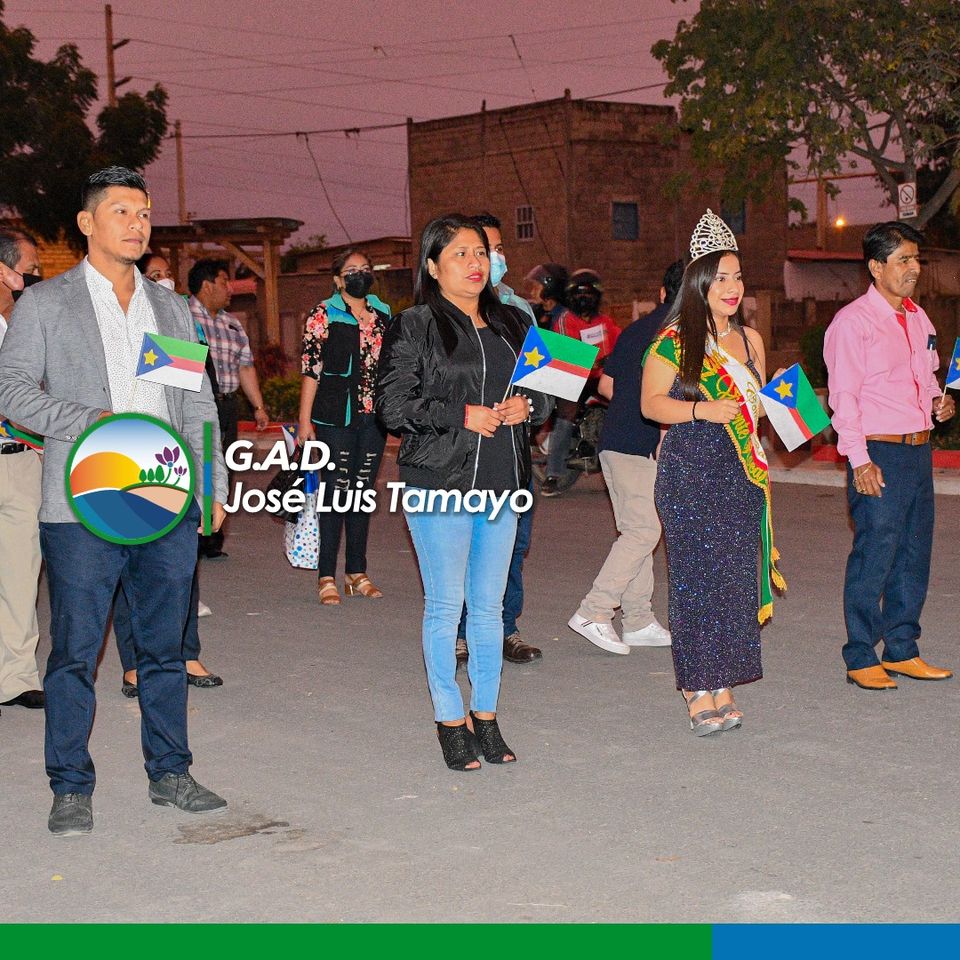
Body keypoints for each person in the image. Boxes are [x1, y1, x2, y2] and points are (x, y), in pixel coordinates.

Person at [0, 166, 229, 834]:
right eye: (122, 211)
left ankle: (171, 771)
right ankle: (70, 785)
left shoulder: (169, 308)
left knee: (162, 647)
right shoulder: (48, 304)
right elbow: (12, 392)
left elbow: (196, 404)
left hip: (163, 495)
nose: (137, 224)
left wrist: (210, 484)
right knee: (74, 652)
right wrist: (88, 421)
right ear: (87, 223)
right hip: (82, 501)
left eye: (144, 213)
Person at [376, 214, 551, 771]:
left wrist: (529, 407)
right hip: (438, 483)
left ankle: (487, 714)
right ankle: (449, 718)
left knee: (490, 609)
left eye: (481, 253)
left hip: (503, 482)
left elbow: (546, 390)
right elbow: (392, 406)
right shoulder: (414, 325)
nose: (476, 263)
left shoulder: (512, 322)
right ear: (432, 266)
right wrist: (460, 414)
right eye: (460, 254)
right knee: (446, 606)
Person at [641, 210, 784, 736]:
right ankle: (696, 686)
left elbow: (756, 408)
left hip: (740, 472)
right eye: (721, 277)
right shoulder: (675, 340)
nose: (732, 288)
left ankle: (722, 680)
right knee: (696, 581)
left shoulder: (751, 341)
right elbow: (652, 404)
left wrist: (785, 403)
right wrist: (703, 409)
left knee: (732, 583)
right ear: (699, 283)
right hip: (690, 470)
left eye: (737, 277)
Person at [824, 221, 955, 691]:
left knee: (914, 553)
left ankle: (902, 649)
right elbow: (844, 398)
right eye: (903, 260)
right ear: (876, 267)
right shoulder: (853, 323)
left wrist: (940, 402)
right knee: (875, 554)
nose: (913, 268)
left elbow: (928, 377)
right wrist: (859, 460)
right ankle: (860, 654)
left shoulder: (919, 318)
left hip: (918, 450)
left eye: (916, 258)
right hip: (878, 451)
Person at [113, 252, 222, 696]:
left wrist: (212, 485)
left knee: (181, 567)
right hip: (115, 464)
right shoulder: (92, 324)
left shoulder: (165, 326)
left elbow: (200, 410)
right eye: (153, 276)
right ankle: (135, 663)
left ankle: (185, 650)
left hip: (170, 464)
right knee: (128, 567)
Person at [568, 260, 683, 655]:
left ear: (663, 293)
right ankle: (594, 610)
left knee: (638, 528)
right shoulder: (679, 336)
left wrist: (633, 404)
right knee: (643, 531)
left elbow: (607, 385)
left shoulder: (638, 329)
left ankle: (637, 620)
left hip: (619, 441)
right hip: (638, 446)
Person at [454, 213, 549, 667]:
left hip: (511, 452)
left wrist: (528, 405)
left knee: (513, 543)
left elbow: (543, 384)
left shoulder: (519, 310)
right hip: (459, 455)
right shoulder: (439, 312)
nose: (490, 258)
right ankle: (459, 631)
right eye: (479, 249)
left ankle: (505, 628)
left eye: (495, 249)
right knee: (461, 545)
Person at [297, 250, 391, 605]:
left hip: (373, 419)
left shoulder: (383, 314)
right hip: (335, 418)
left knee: (362, 492)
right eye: (351, 271)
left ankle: (356, 572)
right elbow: (312, 368)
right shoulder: (323, 314)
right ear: (338, 279)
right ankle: (326, 576)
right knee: (336, 493)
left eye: (365, 269)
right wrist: (304, 420)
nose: (359, 275)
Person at [188, 258, 269, 559]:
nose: (230, 289)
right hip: (195, 405)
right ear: (207, 286)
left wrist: (258, 407)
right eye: (224, 282)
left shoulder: (233, 324)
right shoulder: (182, 318)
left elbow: (245, 368)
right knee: (194, 467)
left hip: (226, 405)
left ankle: (211, 538)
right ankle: (189, 536)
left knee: (223, 468)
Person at [0, 229, 44, 715]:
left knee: (20, 575)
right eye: (30, 270)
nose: (35, 278)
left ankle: (15, 677)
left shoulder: (29, 324)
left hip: (21, 459)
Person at [540, 269, 621, 496]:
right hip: (574, 378)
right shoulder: (566, 320)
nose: (584, 298)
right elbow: (568, 351)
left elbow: (620, 342)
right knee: (566, 414)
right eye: (579, 293)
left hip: (602, 378)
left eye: (589, 293)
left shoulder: (605, 322)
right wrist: (596, 360)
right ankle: (553, 474)